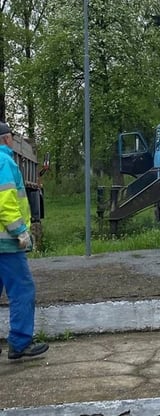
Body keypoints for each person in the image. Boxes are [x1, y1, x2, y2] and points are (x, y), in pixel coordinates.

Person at [0, 121, 49, 360]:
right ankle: (20, 343)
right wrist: (19, 230)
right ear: (7, 139)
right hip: (6, 243)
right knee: (22, 289)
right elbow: (6, 203)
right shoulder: (4, 162)